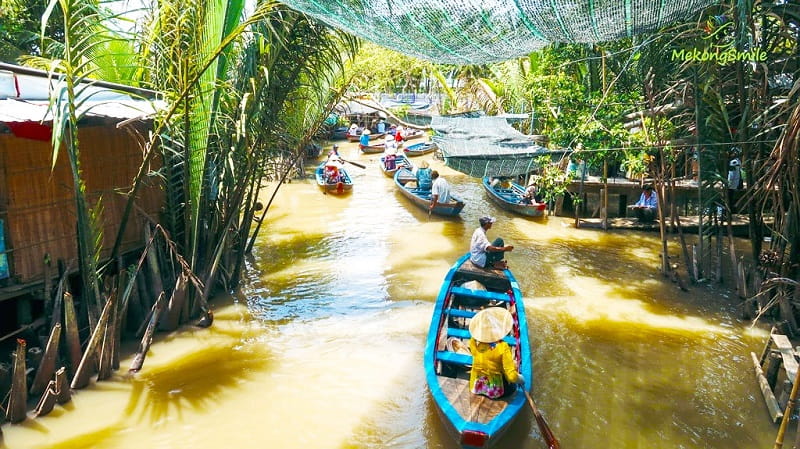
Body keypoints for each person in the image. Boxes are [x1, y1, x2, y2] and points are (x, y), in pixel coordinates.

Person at [467, 307, 524, 399]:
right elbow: (512, 377)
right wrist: (521, 379)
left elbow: (473, 342)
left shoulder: (474, 342)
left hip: (476, 387)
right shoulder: (503, 347)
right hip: (494, 391)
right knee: (512, 383)